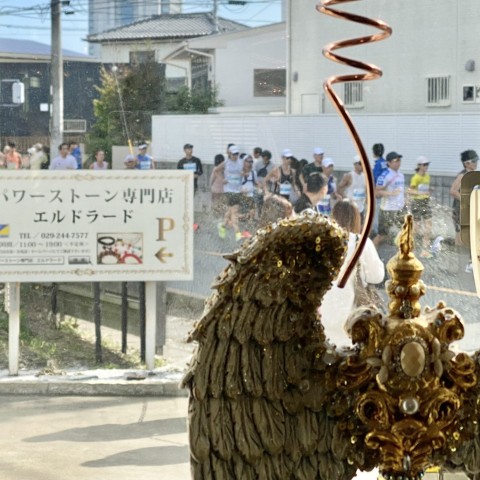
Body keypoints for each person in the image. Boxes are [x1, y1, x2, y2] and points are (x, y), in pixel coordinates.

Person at [319, 200, 384, 348]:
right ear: (357, 219)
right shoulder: (361, 243)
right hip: (351, 313)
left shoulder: (323, 241)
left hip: (324, 310)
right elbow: (377, 276)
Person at [373, 151, 406, 248]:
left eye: (399, 160)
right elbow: (377, 192)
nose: (398, 162)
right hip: (387, 210)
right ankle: (372, 253)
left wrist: (405, 199)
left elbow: (401, 191)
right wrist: (390, 193)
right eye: (395, 160)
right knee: (381, 236)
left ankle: (403, 256)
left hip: (400, 209)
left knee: (405, 231)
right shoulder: (384, 176)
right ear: (389, 163)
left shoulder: (401, 175)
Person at [215, 145, 245, 241]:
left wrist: (243, 175)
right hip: (228, 189)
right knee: (235, 210)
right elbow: (216, 171)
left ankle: (222, 226)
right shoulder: (226, 163)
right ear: (229, 154)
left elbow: (245, 173)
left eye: (237, 154)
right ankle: (237, 232)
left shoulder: (241, 163)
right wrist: (222, 179)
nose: (235, 156)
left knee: (230, 210)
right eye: (233, 154)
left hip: (238, 189)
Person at [450, 149, 478, 247]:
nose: (476, 163)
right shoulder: (462, 176)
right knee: (460, 237)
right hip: (459, 210)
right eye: (474, 161)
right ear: (466, 163)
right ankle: (459, 258)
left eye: (476, 160)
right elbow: (453, 191)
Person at [408, 156, 433, 258]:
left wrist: (429, 190)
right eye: (424, 164)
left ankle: (425, 250)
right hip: (417, 203)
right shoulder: (415, 178)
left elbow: (425, 189)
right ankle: (409, 248)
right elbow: (410, 191)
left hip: (425, 202)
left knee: (428, 227)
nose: (426, 166)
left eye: (427, 164)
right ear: (419, 166)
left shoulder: (427, 176)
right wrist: (422, 192)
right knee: (416, 228)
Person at [337, 155, 366, 219]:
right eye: (361, 163)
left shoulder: (365, 176)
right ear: (355, 164)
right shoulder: (349, 175)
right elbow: (339, 188)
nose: (363, 165)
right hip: (350, 207)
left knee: (361, 227)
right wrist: (345, 198)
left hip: (361, 207)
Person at [371, 143, 386, 237]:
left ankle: (376, 232)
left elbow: (376, 178)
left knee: (375, 212)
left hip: (377, 191)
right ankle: (381, 230)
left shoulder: (378, 164)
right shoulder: (384, 162)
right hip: (384, 190)